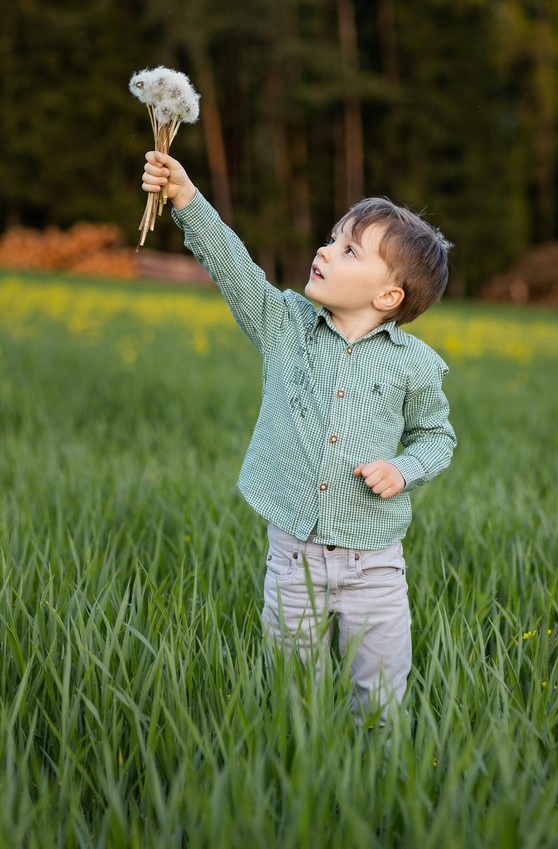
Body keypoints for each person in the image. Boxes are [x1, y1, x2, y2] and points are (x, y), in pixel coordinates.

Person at [142, 150, 457, 723]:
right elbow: (233, 266)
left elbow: (437, 438)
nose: (324, 250)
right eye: (333, 238)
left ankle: (383, 798)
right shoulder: (284, 324)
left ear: (388, 296)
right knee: (290, 702)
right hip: (294, 560)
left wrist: (403, 468)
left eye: (348, 250)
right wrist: (185, 197)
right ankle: (299, 780)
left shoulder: (416, 365)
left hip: (375, 568)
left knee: (382, 704)